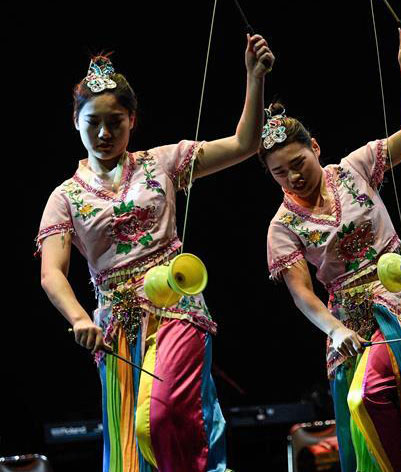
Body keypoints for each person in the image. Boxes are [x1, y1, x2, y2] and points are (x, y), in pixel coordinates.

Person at [37, 34, 274, 471]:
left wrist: (253, 78)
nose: (104, 133)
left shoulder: (161, 163)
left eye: (116, 122)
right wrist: (78, 318)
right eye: (93, 122)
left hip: (176, 306)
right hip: (114, 326)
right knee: (130, 447)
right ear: (75, 121)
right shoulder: (65, 197)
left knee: (159, 416)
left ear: (132, 120)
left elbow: (244, 144)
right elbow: (52, 272)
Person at [263, 29, 401, 472]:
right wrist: (334, 330)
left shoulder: (354, 168)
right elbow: (302, 293)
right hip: (344, 323)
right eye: (280, 173)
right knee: (366, 432)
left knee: (371, 396)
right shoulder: (281, 226)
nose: (293, 178)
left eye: (299, 164)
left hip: (392, 303)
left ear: (316, 148)